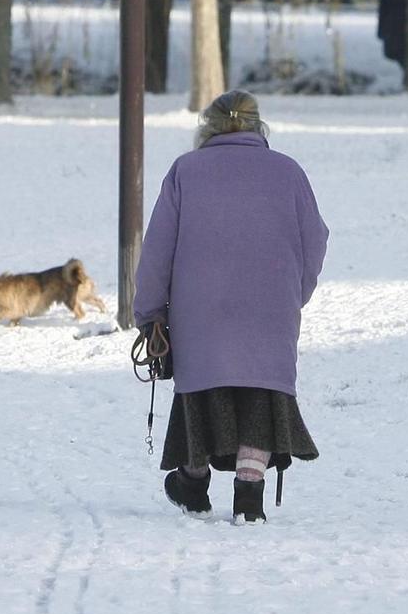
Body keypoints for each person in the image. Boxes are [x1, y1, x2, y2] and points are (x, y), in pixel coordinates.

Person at [134, 90, 328, 523]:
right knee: (260, 397)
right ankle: (249, 493)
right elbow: (315, 242)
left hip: (199, 314)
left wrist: (149, 313)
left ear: (209, 126)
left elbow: (157, 250)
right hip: (270, 311)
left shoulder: (185, 171)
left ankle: (193, 481)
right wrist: (294, 293)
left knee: (203, 394)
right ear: (259, 125)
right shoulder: (289, 173)